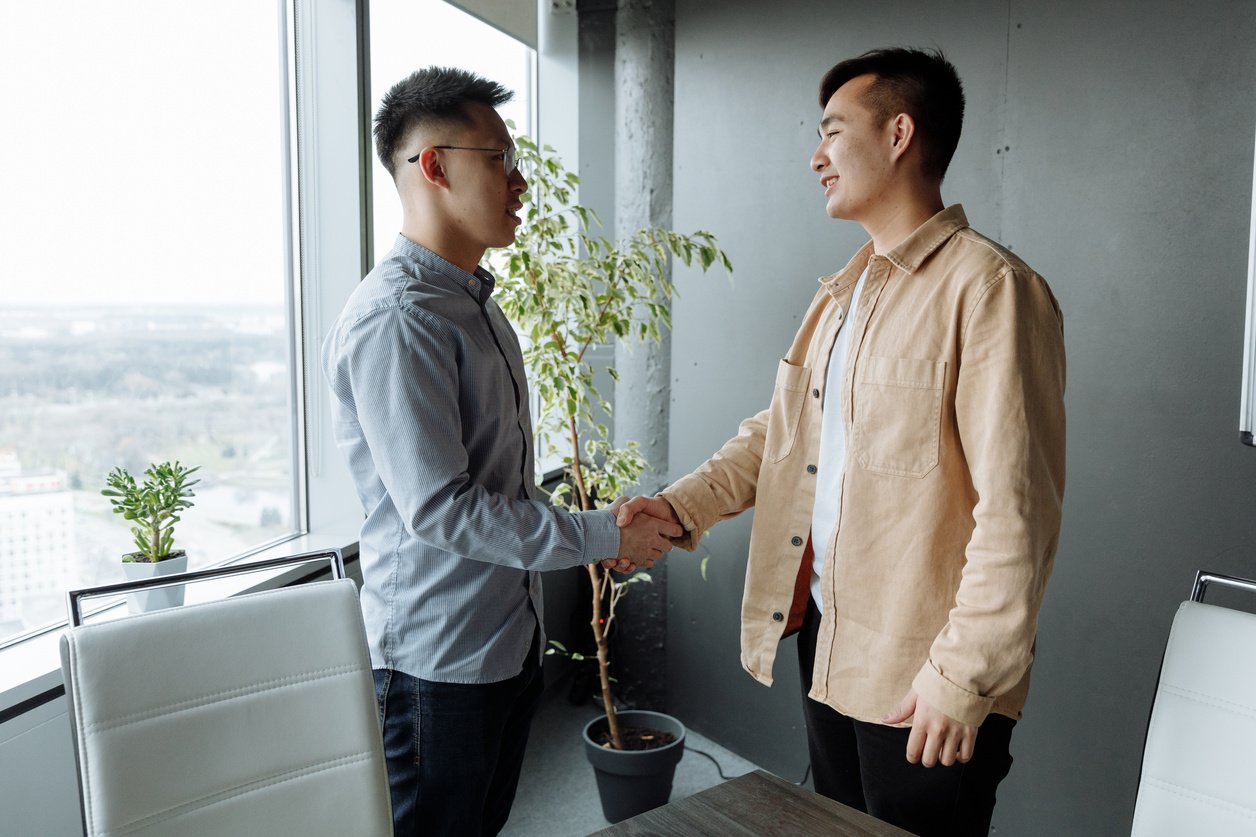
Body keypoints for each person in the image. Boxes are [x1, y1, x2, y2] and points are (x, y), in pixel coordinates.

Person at [615, 48, 1065, 835]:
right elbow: (781, 435)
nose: (815, 156)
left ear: (898, 133)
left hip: (924, 670)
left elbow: (1018, 511)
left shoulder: (992, 289)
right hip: (827, 640)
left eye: (831, 131)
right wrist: (676, 507)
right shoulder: (842, 292)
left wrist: (960, 678)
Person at [322, 66, 681, 837]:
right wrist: (604, 534)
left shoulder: (474, 303)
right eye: (500, 160)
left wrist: (597, 536)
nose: (520, 183)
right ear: (435, 165)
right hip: (436, 665)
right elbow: (442, 509)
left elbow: (504, 486)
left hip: (503, 644)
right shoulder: (399, 319)